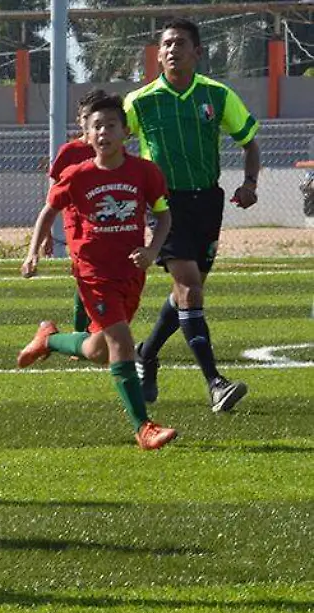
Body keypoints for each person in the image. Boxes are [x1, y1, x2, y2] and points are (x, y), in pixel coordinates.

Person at [18, 93, 177, 451]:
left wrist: (152, 250)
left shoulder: (145, 172)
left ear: (125, 133)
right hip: (93, 273)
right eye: (97, 127)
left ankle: (50, 339)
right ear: (86, 136)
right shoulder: (77, 175)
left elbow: (164, 215)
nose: (104, 132)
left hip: (131, 273)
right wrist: (33, 254)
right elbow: (48, 211)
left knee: (97, 350)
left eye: (111, 125)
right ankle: (144, 427)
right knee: (121, 342)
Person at [125, 17, 257, 413]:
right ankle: (215, 383)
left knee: (187, 291)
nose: (171, 50)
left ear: (197, 52)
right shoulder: (140, 101)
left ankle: (146, 354)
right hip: (164, 206)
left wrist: (250, 184)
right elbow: (109, 140)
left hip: (208, 203)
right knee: (190, 289)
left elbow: (249, 141)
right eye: (165, 44)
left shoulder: (217, 96)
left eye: (180, 43)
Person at [43, 89, 112, 337]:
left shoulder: (110, 147)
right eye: (85, 117)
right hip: (78, 226)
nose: (89, 123)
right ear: (79, 120)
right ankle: (81, 333)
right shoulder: (70, 152)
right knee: (86, 277)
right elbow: (53, 193)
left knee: (106, 277)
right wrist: (48, 233)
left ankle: (98, 330)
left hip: (108, 223)